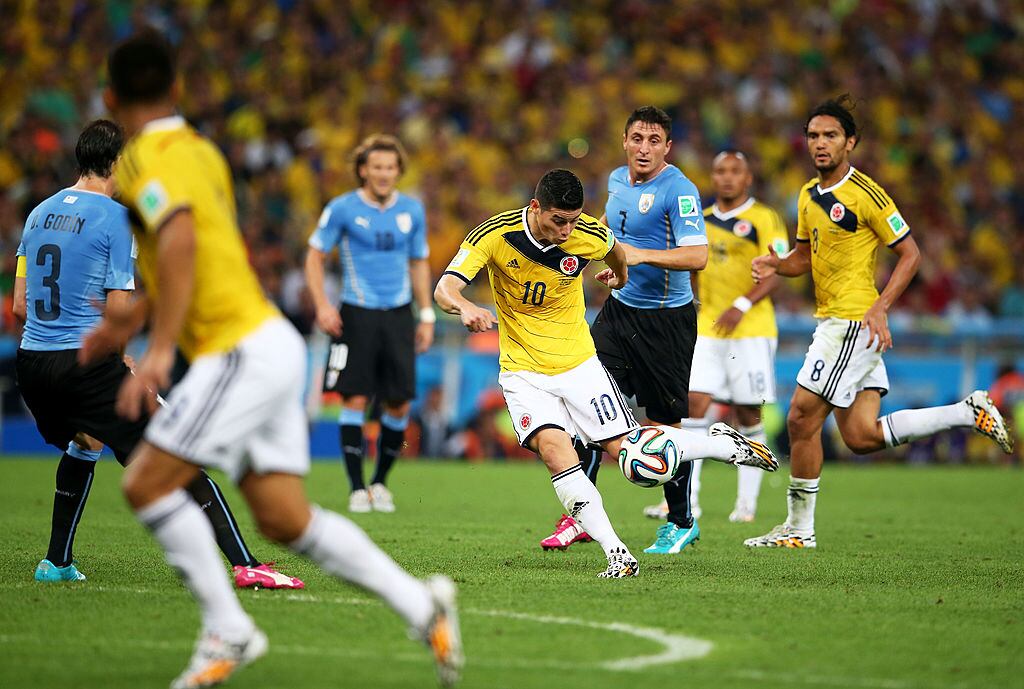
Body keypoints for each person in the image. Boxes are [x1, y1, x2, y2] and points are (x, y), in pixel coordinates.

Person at [84, 31, 462, 688]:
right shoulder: (201, 149)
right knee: (285, 517)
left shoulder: (140, 158)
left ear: (110, 98)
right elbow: (198, 250)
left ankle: (228, 628)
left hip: (237, 349)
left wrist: (157, 345)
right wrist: (135, 314)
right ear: (177, 88)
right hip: (269, 343)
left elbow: (178, 242)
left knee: (146, 484)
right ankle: (420, 603)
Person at [434, 168, 777, 578]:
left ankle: (720, 445)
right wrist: (465, 306)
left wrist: (621, 277)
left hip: (580, 366)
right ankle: (618, 553)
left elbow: (615, 252)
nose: (566, 231)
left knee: (634, 460)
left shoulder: (588, 234)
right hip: (523, 372)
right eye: (558, 220)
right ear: (536, 207)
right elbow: (445, 288)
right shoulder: (495, 234)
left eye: (572, 221)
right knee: (555, 452)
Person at [12, 120, 301, 590]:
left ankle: (56, 561)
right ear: (118, 163)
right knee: (178, 450)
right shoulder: (116, 218)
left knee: (86, 439)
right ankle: (246, 564)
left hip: (32, 364)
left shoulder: (37, 214)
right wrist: (121, 359)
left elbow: (20, 306)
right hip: (84, 365)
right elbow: (119, 308)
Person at [746, 96, 1013, 549]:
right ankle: (966, 412)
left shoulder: (866, 193)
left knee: (800, 418)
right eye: (813, 135)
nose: (820, 143)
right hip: (839, 320)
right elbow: (804, 258)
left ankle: (798, 530)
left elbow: (911, 254)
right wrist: (777, 264)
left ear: (850, 142)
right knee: (860, 436)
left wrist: (881, 306)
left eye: (830, 135)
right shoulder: (807, 195)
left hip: (852, 321)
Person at [540, 106, 712, 556]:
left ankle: (681, 521)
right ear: (624, 141)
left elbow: (698, 256)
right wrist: (615, 268)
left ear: (668, 147)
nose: (644, 148)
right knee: (588, 406)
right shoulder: (616, 180)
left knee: (664, 425)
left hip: (665, 321)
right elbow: (609, 236)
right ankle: (580, 517)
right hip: (618, 314)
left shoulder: (680, 190)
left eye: (654, 141)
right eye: (637, 138)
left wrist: (638, 255)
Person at [644, 150, 789, 525]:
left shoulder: (764, 218)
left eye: (735, 171)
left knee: (748, 412)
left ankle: (746, 505)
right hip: (708, 327)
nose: (727, 177)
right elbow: (691, 267)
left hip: (751, 329)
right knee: (692, 404)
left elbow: (779, 270)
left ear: (748, 178)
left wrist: (741, 304)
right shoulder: (701, 221)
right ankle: (684, 503)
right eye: (720, 171)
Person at [304, 134, 433, 513]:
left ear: (398, 172)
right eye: (376, 167)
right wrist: (322, 305)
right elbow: (314, 256)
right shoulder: (342, 208)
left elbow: (419, 263)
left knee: (398, 403)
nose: (383, 173)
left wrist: (426, 315)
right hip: (356, 312)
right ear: (363, 170)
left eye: (390, 167)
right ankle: (357, 487)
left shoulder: (412, 210)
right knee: (355, 398)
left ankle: (380, 482)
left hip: (399, 313)